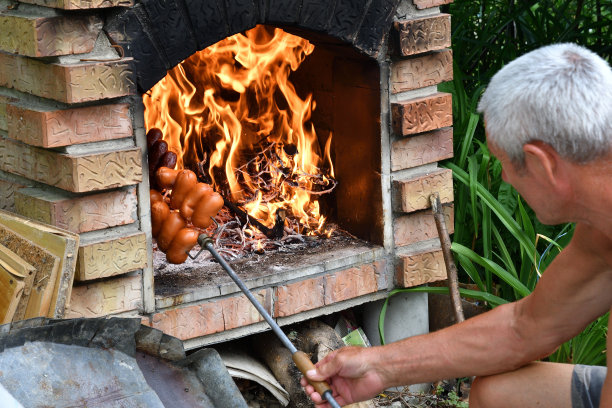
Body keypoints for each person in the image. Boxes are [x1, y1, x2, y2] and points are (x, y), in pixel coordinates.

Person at [301, 43, 612, 408]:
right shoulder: (600, 231)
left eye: (503, 165)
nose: (506, 180)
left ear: (543, 165)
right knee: (499, 395)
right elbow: (524, 327)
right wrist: (379, 366)